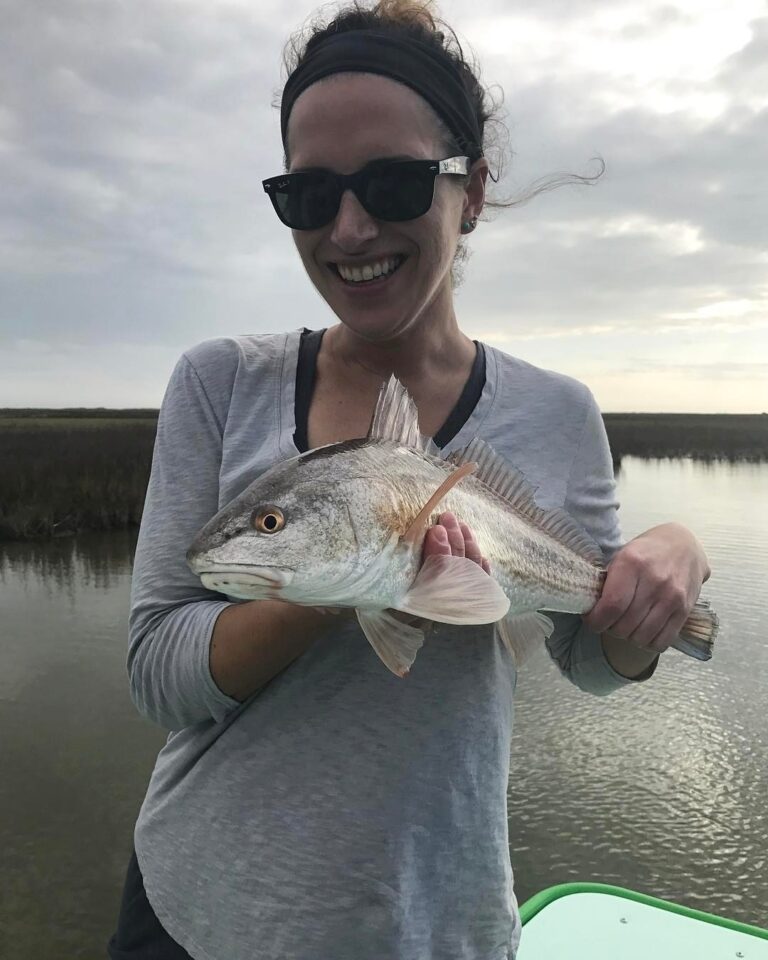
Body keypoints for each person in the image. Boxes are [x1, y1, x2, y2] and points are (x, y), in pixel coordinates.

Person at [107, 1, 712, 958]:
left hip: (431, 920)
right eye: (308, 195)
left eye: (391, 183)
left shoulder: (559, 414)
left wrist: (663, 565)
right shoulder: (218, 381)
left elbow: (593, 666)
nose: (348, 229)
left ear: (469, 190)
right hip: (199, 912)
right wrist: (351, 574)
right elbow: (157, 677)